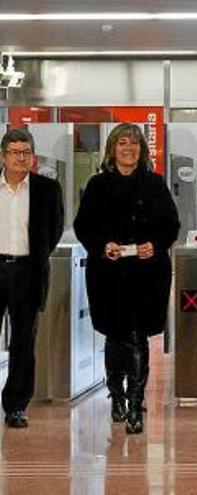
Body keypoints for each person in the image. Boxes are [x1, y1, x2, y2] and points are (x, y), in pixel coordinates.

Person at [74, 123, 180, 434]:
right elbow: (84, 226)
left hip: (147, 275)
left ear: (142, 150)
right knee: (114, 335)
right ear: (112, 149)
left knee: (137, 336)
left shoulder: (155, 184)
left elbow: (171, 225)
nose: (128, 149)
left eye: (134, 144)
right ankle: (117, 396)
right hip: (108, 274)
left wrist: (155, 245)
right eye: (122, 143)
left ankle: (135, 403)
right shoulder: (97, 185)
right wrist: (101, 244)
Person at [0, 128, 63, 428]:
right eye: (14, 152)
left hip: (28, 272)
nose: (20, 158)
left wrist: (35, 258)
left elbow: (54, 230)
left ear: (32, 157)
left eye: (25, 152)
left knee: (24, 342)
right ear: (3, 156)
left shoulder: (47, 189)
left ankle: (15, 406)